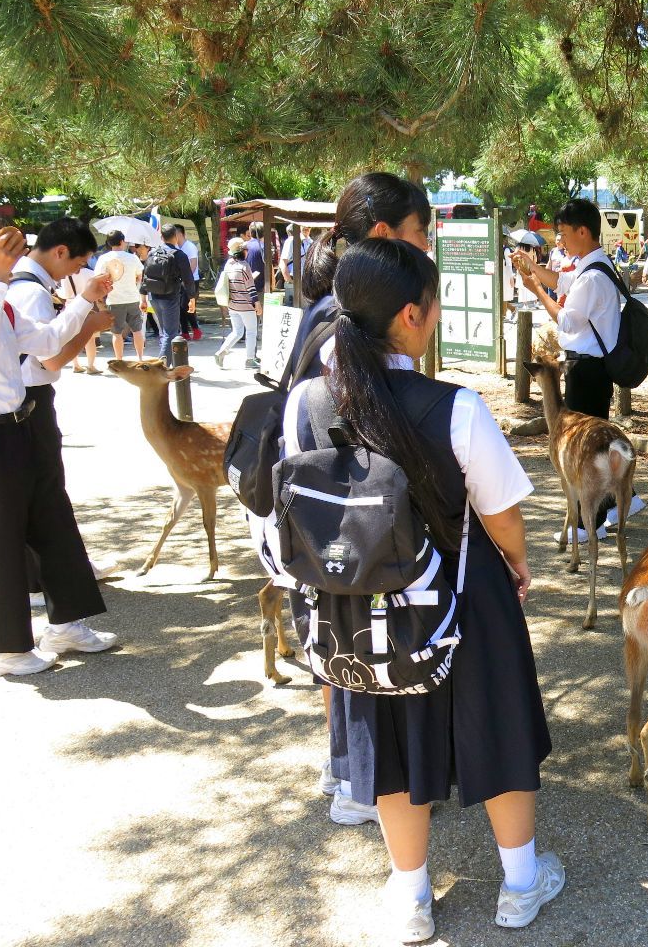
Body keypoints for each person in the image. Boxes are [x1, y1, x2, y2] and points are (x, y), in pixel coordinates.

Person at [287, 239, 562, 940]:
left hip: (358, 606)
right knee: (495, 727)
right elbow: (501, 512)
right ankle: (521, 885)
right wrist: (519, 563)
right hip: (463, 595)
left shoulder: (305, 403)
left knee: (386, 744)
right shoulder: (455, 407)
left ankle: (411, 896)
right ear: (412, 314)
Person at [270, 171, 436, 828]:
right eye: (420, 234)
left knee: (337, 642)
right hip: (339, 523)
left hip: (310, 522)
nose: (425, 247)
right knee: (354, 644)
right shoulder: (346, 328)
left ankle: (345, 770)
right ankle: (355, 781)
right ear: (381, 237)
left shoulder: (315, 310)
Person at [0, 222, 117, 677]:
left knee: (50, 518)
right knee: (4, 539)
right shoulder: (2, 294)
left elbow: (45, 340)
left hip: (19, 424)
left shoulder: (6, 301)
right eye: (6, 253)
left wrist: (85, 300)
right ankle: (7, 648)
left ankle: (66, 621)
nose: (14, 259)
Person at [513, 198, 645, 540]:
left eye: (564, 233)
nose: (561, 240)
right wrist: (533, 268)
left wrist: (535, 289)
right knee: (593, 442)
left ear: (582, 231)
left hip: (586, 370)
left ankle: (591, 524)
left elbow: (566, 319)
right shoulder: (593, 266)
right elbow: (562, 283)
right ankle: (619, 503)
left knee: (586, 450)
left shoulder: (591, 277)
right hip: (590, 368)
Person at [142, 224, 195, 363]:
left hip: (153, 296)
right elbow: (188, 279)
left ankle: (168, 362)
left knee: (165, 331)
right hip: (170, 297)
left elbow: (145, 275)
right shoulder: (179, 255)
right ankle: (161, 366)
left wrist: (143, 297)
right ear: (176, 236)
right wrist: (192, 298)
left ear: (161, 237)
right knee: (170, 333)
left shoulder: (152, 253)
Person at [94, 231, 146, 363]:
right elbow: (140, 275)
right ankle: (140, 358)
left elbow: (97, 278)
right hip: (133, 298)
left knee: (116, 333)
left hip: (114, 299)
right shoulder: (132, 258)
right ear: (122, 241)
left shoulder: (104, 259)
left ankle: (119, 360)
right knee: (137, 330)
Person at [214, 238, 260, 369]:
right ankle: (250, 359)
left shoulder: (229, 265)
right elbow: (250, 287)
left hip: (232, 304)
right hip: (245, 305)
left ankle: (221, 352)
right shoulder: (244, 266)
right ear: (243, 251)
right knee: (251, 331)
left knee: (237, 331)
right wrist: (257, 303)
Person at [176, 228, 202, 339]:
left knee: (187, 306)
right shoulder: (177, 247)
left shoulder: (190, 247)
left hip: (191, 281)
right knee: (181, 307)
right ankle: (185, 332)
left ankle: (196, 330)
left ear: (181, 234)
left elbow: (193, 265)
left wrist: (185, 278)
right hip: (181, 281)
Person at [280, 225, 311, 307]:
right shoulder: (291, 241)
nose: (306, 227)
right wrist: (289, 281)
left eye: (308, 226)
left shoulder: (312, 242)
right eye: (303, 225)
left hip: (307, 282)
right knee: (294, 310)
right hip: (293, 280)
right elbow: (283, 262)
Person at [243, 224, 266, 308]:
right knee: (260, 314)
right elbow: (268, 267)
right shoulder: (264, 247)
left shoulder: (243, 246)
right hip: (260, 287)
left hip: (243, 287)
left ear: (250, 232)